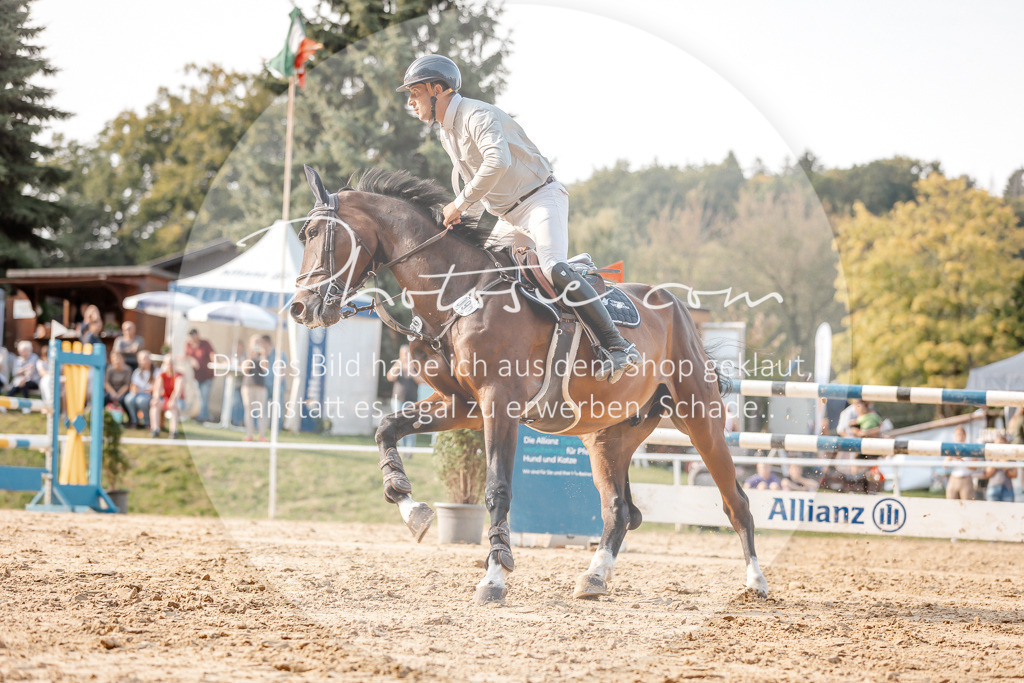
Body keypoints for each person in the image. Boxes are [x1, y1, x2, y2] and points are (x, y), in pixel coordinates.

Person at [397, 55, 641, 383]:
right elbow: (480, 190)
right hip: (509, 216)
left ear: (437, 89)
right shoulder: (447, 133)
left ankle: (617, 345)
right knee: (482, 275)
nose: (410, 102)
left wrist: (459, 203)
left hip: (541, 200)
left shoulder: (477, 114)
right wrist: (456, 225)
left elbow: (497, 162)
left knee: (554, 267)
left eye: (414, 92)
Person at [387, 345, 421, 449]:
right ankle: (402, 448)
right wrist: (399, 364)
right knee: (399, 425)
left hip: (412, 401)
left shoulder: (415, 366)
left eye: (408, 353)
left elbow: (422, 381)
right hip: (398, 400)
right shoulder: (397, 365)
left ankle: (409, 450)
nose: (406, 355)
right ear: (400, 354)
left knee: (411, 425)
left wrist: (412, 371)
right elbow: (390, 377)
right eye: (404, 353)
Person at [240, 335, 268, 442]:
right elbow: (246, 369)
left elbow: (264, 367)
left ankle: (262, 435)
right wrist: (250, 356)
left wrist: (263, 354)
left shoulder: (263, 356)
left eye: (258, 342)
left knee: (261, 411)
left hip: (260, 386)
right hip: (248, 385)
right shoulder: (246, 355)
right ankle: (249, 434)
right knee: (249, 410)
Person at [184, 329, 216, 422]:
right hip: (197, 377)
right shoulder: (188, 345)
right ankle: (207, 417)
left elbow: (212, 354)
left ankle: (202, 417)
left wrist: (216, 362)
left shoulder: (205, 343)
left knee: (204, 396)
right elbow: (186, 355)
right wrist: (192, 360)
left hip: (208, 376)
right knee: (200, 397)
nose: (192, 339)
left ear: (197, 335)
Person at [149, 355, 184, 439]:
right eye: (168, 363)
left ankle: (173, 431)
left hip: (178, 400)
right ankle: (155, 429)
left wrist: (172, 400)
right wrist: (156, 399)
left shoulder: (179, 376)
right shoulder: (162, 375)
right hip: (165, 399)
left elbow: (177, 391)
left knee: (173, 406)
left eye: (172, 363)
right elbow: (157, 390)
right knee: (154, 405)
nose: (170, 365)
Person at [945, 426, 977, 501]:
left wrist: (961, 460)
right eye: (957, 434)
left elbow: (975, 467)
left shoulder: (970, 448)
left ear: (965, 435)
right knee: (951, 503)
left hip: (966, 479)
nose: (959, 437)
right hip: (954, 478)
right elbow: (945, 466)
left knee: (968, 504)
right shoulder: (951, 449)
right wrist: (951, 456)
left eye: (961, 434)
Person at [124, 350, 154, 429]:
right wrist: (134, 390)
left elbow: (154, 387)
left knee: (141, 400)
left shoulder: (155, 371)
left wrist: (144, 391)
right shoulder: (137, 372)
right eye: (141, 359)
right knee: (128, 399)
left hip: (149, 395)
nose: (143, 361)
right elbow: (133, 385)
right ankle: (135, 421)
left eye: (145, 358)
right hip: (138, 394)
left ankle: (147, 422)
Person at [984, 433, 1017, 502]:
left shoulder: (1011, 456)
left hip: (1007, 488)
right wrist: (995, 461)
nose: (999, 446)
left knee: (1008, 511)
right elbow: (988, 474)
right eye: (997, 444)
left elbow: (1014, 474)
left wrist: (1006, 466)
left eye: (1001, 443)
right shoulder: (990, 455)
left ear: (1006, 444)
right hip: (993, 487)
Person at [103, 351, 132, 415]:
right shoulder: (109, 369)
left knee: (123, 400)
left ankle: (130, 419)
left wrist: (118, 395)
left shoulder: (128, 370)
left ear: (122, 359)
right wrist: (113, 394)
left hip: (123, 392)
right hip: (111, 392)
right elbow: (106, 383)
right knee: (103, 398)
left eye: (118, 358)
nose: (116, 360)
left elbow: (127, 385)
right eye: (114, 358)